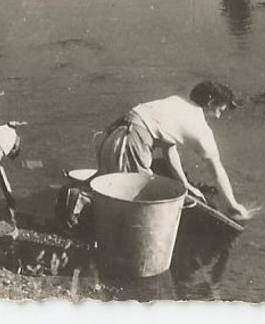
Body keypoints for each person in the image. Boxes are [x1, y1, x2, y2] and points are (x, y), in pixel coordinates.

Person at [96, 80, 253, 220]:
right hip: (130, 143)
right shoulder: (199, 126)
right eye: (220, 110)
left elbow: (169, 150)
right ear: (211, 103)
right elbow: (217, 171)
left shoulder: (175, 103)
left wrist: (185, 184)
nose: (218, 116)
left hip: (111, 138)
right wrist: (233, 206)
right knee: (138, 205)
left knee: (112, 192)